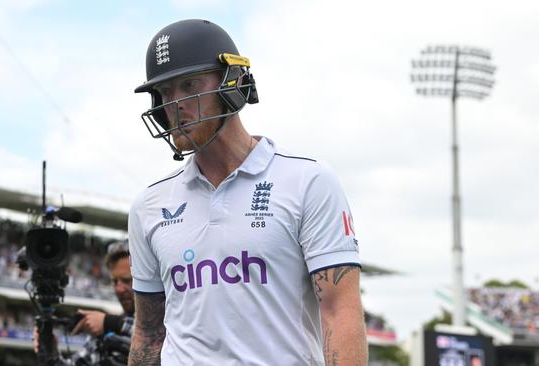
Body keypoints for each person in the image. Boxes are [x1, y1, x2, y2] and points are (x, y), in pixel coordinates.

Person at [128, 19, 367, 365]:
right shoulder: (148, 206)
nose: (174, 104)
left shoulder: (308, 181)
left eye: (189, 85)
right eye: (165, 92)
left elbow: (339, 311)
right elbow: (148, 333)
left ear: (232, 82)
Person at [33, 242, 134, 365]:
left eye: (127, 280)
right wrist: (52, 355)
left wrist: (111, 322)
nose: (119, 289)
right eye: (114, 281)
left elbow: (155, 338)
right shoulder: (105, 332)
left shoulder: (162, 320)